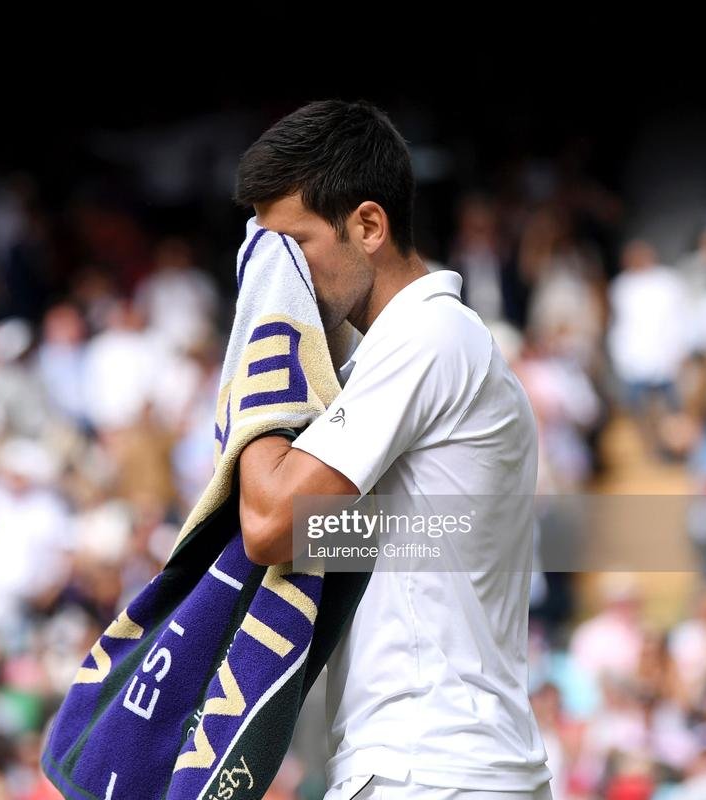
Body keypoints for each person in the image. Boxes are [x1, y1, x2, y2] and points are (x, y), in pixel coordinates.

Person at [234, 100, 552, 800]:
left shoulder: (429, 338)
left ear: (368, 226)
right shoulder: (415, 354)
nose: (276, 280)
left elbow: (267, 523)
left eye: (292, 249)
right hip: (444, 765)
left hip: (431, 766)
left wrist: (259, 343)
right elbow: (342, 538)